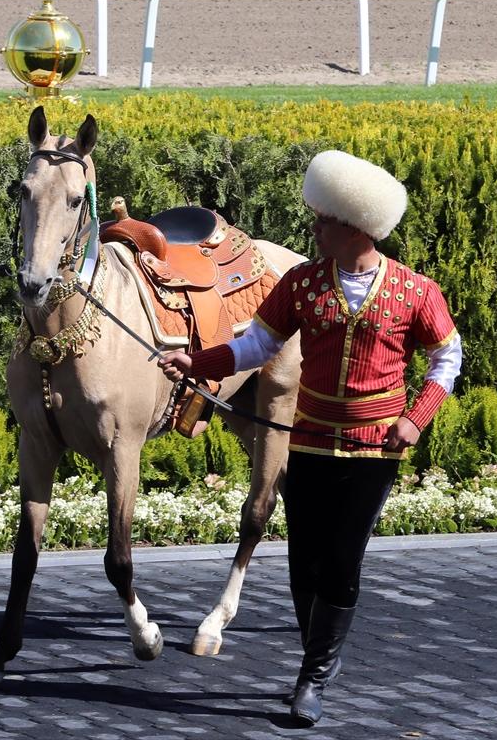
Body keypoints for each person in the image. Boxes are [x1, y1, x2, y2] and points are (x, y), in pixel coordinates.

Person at [158, 150, 462, 727]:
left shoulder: (414, 292)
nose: (314, 228)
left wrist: (417, 417)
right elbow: (256, 347)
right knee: (304, 566)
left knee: (342, 564)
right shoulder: (301, 284)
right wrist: (197, 363)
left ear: (355, 229)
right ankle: (316, 656)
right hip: (309, 440)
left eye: (324, 220)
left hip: (374, 449)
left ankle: (312, 676)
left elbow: (447, 357)